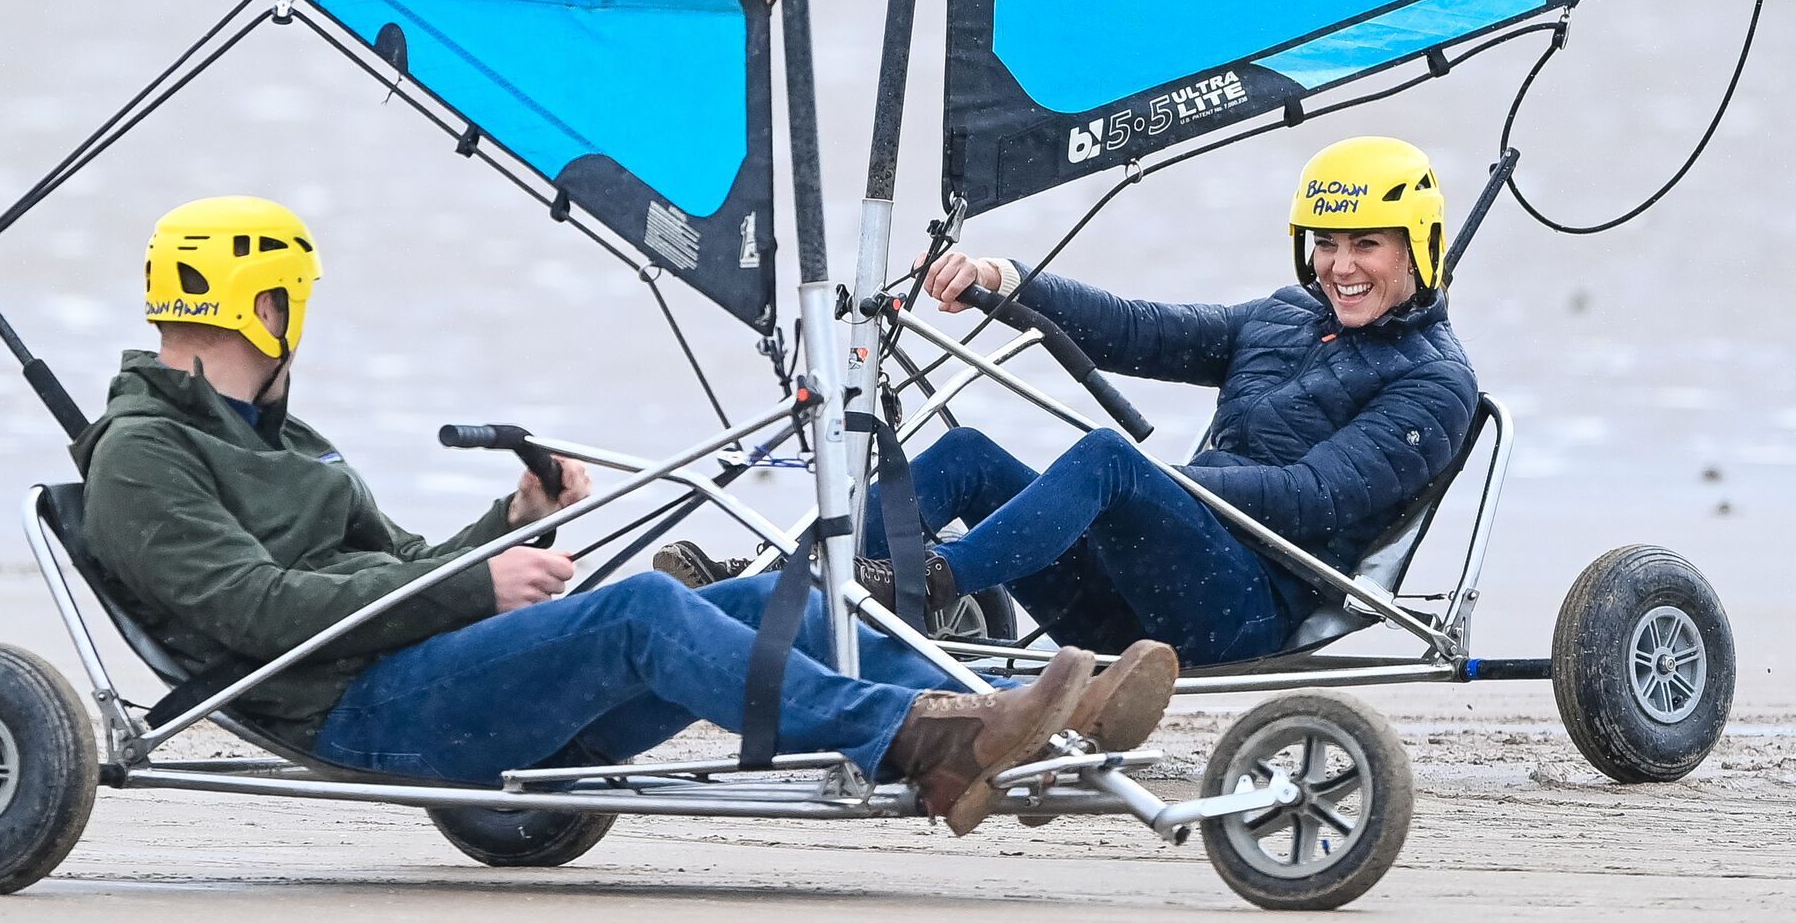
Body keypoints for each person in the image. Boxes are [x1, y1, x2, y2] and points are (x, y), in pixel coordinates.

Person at [69, 197, 1179, 836]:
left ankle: (1022, 727)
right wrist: (472, 586)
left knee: (765, 592)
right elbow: (263, 614)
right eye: (293, 303)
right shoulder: (144, 455)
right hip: (357, 713)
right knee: (646, 607)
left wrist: (509, 520)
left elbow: (396, 568)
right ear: (269, 305)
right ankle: (929, 744)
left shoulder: (284, 438)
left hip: (429, 672)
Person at [660, 137, 1479, 667]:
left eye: (1367, 244)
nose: (1342, 267)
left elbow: (1311, 501)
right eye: (1327, 244)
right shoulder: (1285, 314)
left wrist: (1158, 485)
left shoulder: (1434, 382)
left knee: (1108, 460)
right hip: (1137, 592)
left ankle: (927, 582)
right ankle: (775, 580)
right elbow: (1135, 330)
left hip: (1243, 612)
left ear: (1420, 246)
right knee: (968, 454)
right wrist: (1001, 281)